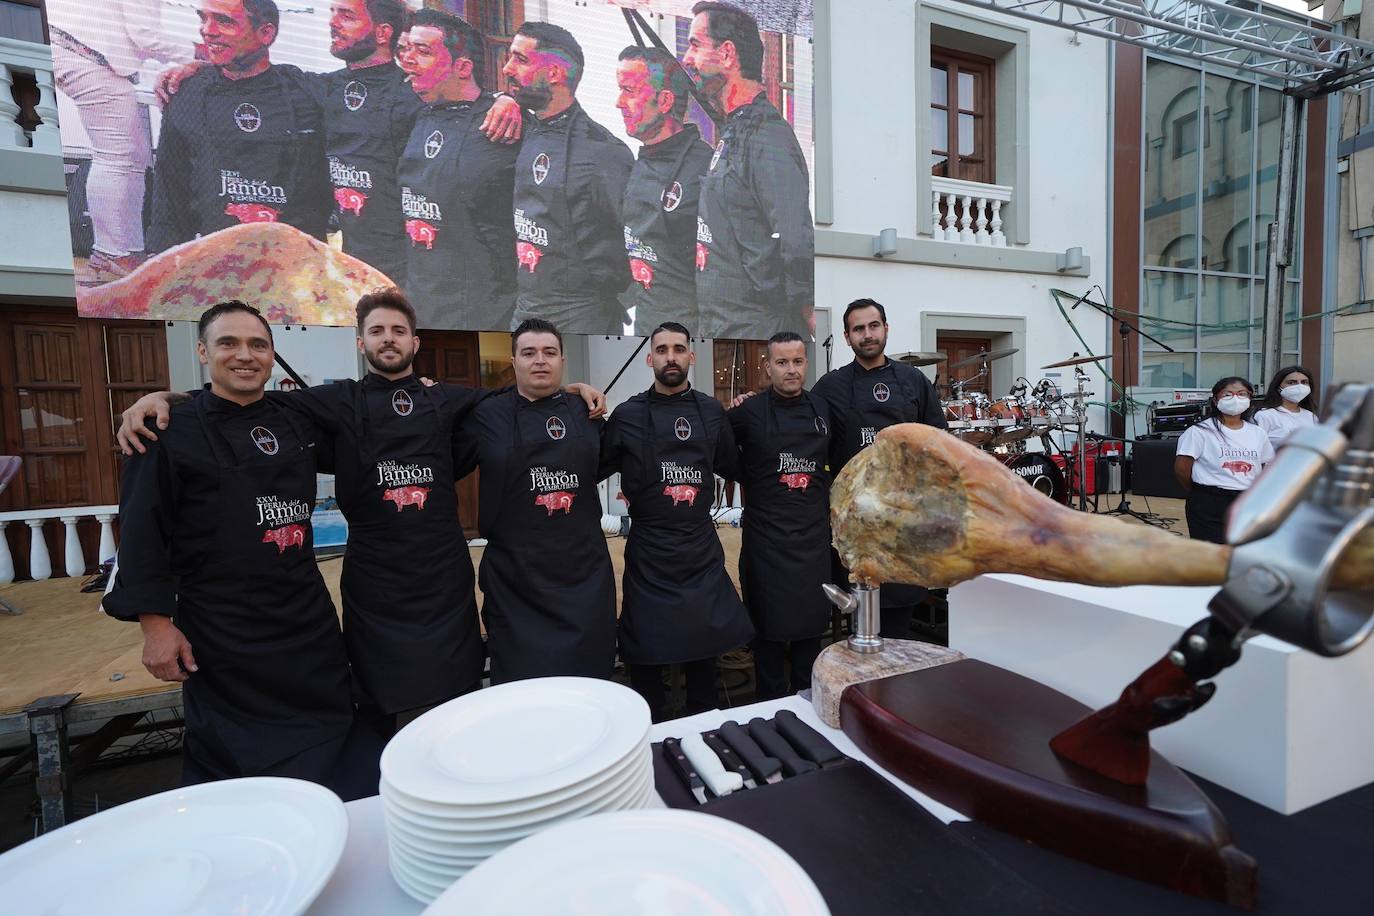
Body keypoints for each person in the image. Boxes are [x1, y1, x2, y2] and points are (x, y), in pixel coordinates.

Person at [115, 288, 606, 738]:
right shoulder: (330, 402)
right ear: (361, 342)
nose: (388, 340)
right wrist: (165, 399)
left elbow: (524, 393)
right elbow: (246, 399)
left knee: (458, 690)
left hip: (443, 568)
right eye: (377, 331)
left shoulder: (448, 398)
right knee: (377, 692)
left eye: (397, 331)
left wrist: (577, 388)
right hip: (376, 574)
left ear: (414, 343)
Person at [104, 301, 376, 799]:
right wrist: (156, 627)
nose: (244, 355)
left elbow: (375, 399)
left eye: (258, 344)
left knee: (335, 745)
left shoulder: (295, 417)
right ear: (203, 352)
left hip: (305, 619)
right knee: (240, 771)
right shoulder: (164, 432)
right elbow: (142, 532)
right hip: (222, 631)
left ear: (273, 357)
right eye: (228, 343)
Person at [153, 0, 524, 286]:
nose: (332, 22)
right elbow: (254, 79)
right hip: (351, 265)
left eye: (345, 14)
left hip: (419, 266)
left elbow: (458, 99)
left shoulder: (413, 90)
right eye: (332, 12)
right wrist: (199, 67)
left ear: (381, 32)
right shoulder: (318, 89)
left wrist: (505, 100)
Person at [600, 322, 754, 720]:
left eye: (679, 349)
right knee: (646, 651)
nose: (671, 356)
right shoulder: (627, 414)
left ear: (691, 356)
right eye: (663, 349)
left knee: (702, 648)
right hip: (649, 549)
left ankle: (706, 727)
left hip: (698, 546)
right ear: (650, 358)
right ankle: (647, 731)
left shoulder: (710, 411)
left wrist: (750, 414)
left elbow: (736, 465)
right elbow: (589, 467)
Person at [454, 319, 617, 683]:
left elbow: (611, 460)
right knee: (523, 686)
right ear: (513, 362)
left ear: (562, 360)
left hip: (583, 577)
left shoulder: (585, 411)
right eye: (529, 353)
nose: (539, 360)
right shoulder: (485, 415)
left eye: (549, 353)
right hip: (516, 582)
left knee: (588, 683)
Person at [147, 0, 333, 252]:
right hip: (216, 266)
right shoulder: (185, 93)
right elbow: (169, 198)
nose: (208, 30)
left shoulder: (306, 93)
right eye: (203, 18)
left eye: (224, 21)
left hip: (294, 268)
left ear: (266, 33)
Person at [810, 299, 946, 638]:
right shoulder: (830, 387)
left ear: (886, 328)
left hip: (902, 518)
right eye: (859, 329)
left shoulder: (913, 380)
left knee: (900, 613)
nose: (867, 335)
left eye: (873, 326)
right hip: (856, 523)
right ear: (846, 337)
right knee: (859, 609)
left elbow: (938, 441)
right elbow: (805, 433)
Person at [682, 1, 813, 339]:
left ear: (727, 54)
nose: (686, 58)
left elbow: (795, 242)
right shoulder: (734, 130)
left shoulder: (767, 136)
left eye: (695, 45)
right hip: (721, 331)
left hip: (756, 334)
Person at [47, 0, 192, 282]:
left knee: (134, 158)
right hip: (82, 54)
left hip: (75, 50)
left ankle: (127, 251)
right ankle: (111, 254)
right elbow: (145, 37)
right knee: (115, 157)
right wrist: (197, 51)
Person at [504, 21, 635, 334]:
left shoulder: (603, 152)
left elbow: (637, 238)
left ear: (553, 74)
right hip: (524, 311)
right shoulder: (515, 128)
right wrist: (503, 99)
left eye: (520, 59)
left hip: (580, 317)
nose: (507, 68)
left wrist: (617, 299)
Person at [397, 10, 520, 329]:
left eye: (423, 51)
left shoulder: (502, 122)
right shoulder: (412, 113)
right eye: (407, 48)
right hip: (421, 305)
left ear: (463, 67)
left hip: (481, 312)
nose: (409, 59)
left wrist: (512, 100)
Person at [727, 331, 831, 699]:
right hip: (766, 548)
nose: (791, 370)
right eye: (782, 362)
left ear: (806, 363)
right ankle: (767, 715)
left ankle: (809, 715)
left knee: (809, 643)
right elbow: (718, 452)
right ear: (767, 366)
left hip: (813, 545)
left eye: (798, 361)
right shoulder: (748, 412)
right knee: (767, 644)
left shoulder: (822, 410)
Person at [615, 46, 715, 336]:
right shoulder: (633, 162)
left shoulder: (705, 168)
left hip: (693, 335)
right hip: (645, 331)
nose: (618, 102)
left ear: (665, 100)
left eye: (629, 91)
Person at [1174, 377, 1274, 545]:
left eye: (1242, 394)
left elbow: (1265, 465)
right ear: (1215, 400)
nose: (1235, 399)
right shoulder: (1200, 431)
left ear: (1250, 398)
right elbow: (1182, 468)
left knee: (1243, 550)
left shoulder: (1258, 433)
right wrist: (1200, 492)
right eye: (1228, 394)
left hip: (1247, 500)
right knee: (1211, 553)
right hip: (1210, 500)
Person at [1253, 365, 1320, 450]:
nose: (1299, 386)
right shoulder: (1265, 416)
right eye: (1291, 382)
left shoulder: (1311, 416)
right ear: (1278, 387)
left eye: (1304, 382)